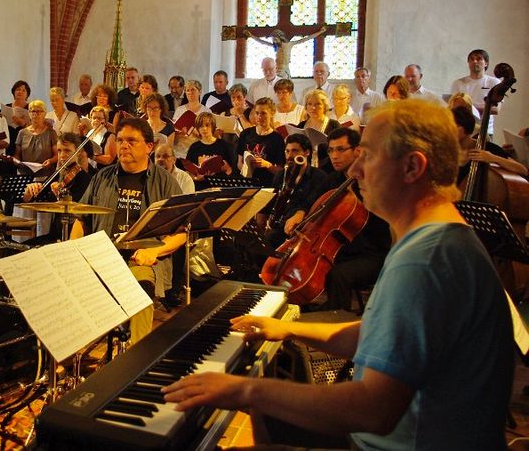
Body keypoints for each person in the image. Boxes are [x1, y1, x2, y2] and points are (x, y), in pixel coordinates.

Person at [163, 99, 514, 451]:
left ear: (412, 167)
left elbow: (373, 410)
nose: (354, 171)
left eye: (368, 156)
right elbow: (377, 334)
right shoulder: (439, 238)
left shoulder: (425, 261)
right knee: (268, 414)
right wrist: (288, 328)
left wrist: (245, 390)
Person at [71, 118, 186, 343]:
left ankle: (137, 352)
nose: (124, 146)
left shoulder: (165, 181)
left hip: (142, 258)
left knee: (139, 291)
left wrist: (155, 252)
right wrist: (74, 249)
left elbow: (182, 232)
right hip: (103, 255)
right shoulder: (102, 177)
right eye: (120, 140)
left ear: (149, 147)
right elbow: (81, 219)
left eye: (131, 141)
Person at [318, 127, 391, 311]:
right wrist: (301, 213)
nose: (334, 156)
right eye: (330, 150)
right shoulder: (331, 180)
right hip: (343, 249)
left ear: (357, 151)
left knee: (338, 275)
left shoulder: (372, 180)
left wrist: (356, 199)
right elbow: (315, 208)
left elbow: (380, 224)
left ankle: (336, 318)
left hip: (372, 252)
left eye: (340, 149)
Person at [22, 132, 93, 244]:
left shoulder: (84, 178)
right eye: (59, 151)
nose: (62, 155)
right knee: (22, 247)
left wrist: (61, 195)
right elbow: (35, 199)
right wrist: (30, 192)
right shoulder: (57, 174)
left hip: (72, 236)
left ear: (78, 152)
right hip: (55, 234)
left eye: (67, 150)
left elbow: (76, 209)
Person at [260, 133, 328, 248]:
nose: (289, 156)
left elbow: (317, 207)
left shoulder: (319, 176)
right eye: (287, 151)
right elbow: (272, 203)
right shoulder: (280, 175)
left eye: (295, 151)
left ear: (307, 152)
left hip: (303, 231)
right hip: (279, 228)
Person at [154, 143, 194, 309]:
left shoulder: (184, 178)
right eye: (158, 156)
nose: (161, 160)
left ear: (174, 159)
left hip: (176, 224)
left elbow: (188, 206)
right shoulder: (150, 176)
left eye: (165, 156)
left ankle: (173, 289)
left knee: (177, 241)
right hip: (155, 223)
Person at [452, 106, 527, 185]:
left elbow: (522, 170)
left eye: (456, 126)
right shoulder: (447, 151)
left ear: (467, 126)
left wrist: (492, 158)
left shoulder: (486, 147)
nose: (451, 129)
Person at [450, 49, 502, 137]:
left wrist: (469, 106)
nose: (474, 61)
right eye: (471, 59)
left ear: (486, 63)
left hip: (485, 130)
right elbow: (453, 107)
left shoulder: (494, 82)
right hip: (462, 131)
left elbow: (495, 109)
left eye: (478, 59)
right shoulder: (458, 83)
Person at [236, 97, 285, 188]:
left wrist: (267, 165)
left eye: (263, 113)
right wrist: (246, 171)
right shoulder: (245, 134)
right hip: (247, 183)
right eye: (257, 113)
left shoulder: (277, 138)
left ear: (272, 114)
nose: (259, 117)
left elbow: (280, 171)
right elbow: (239, 163)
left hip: (266, 184)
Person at [245, 26, 327, 79]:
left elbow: (306, 39)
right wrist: (251, 36)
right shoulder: (276, 46)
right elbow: (262, 42)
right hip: (277, 70)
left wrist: (320, 32)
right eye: (273, 39)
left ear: (280, 37)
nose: (274, 41)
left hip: (285, 70)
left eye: (275, 39)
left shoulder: (289, 44)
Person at [184, 112, 235, 189]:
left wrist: (228, 169)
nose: (204, 129)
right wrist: (196, 178)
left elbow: (231, 169)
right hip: (201, 187)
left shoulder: (223, 145)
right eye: (201, 126)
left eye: (207, 125)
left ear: (213, 126)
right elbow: (188, 171)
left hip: (220, 186)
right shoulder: (194, 147)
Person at [13, 99, 58, 177]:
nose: (36, 114)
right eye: (33, 111)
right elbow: (17, 155)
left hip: (45, 175)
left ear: (45, 114)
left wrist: (50, 161)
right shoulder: (22, 133)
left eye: (40, 111)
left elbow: (57, 155)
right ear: (29, 113)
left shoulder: (51, 133)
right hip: (25, 175)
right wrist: (17, 162)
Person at [298, 89, 341, 167]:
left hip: (328, 168)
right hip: (304, 168)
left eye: (318, 104)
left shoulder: (334, 125)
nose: (313, 107)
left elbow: (339, 150)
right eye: (309, 104)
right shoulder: (301, 125)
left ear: (325, 107)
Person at [172, 79, 209, 158]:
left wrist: (194, 131)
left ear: (199, 91)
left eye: (193, 90)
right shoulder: (179, 109)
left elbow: (209, 133)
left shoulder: (206, 111)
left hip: (198, 150)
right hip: (179, 150)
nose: (190, 92)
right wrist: (179, 132)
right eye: (187, 90)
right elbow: (173, 128)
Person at [3, 80, 31, 155]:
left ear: (27, 94)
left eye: (23, 90)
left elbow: (36, 127)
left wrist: (24, 124)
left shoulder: (31, 108)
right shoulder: (6, 107)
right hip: (8, 140)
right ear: (14, 92)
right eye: (18, 89)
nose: (20, 92)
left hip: (25, 141)